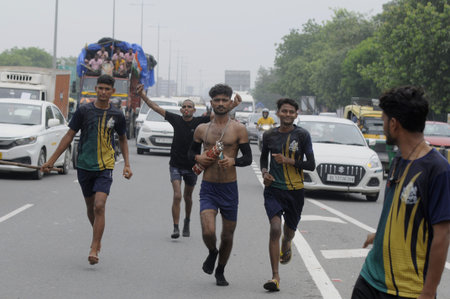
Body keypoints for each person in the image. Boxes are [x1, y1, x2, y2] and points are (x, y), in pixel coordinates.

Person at [351, 86, 450, 299]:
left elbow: (442, 235)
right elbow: (400, 211)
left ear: (394, 124)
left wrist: (429, 292)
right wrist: (381, 235)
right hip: (369, 278)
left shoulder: (438, 169)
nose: (383, 126)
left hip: (406, 289)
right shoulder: (398, 160)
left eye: (384, 120)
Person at [41, 74, 133, 265]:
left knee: (100, 205)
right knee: (91, 207)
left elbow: (123, 139)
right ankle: (97, 237)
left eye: (107, 89)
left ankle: (94, 246)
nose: (103, 92)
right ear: (96, 89)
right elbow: (68, 136)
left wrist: (126, 164)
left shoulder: (117, 115)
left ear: (112, 91)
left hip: (105, 165)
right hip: (84, 164)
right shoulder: (83, 111)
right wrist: (51, 161)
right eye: (100, 88)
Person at [136, 84, 242, 239]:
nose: (186, 109)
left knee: (188, 197)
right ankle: (176, 227)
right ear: (181, 110)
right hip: (176, 165)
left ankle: (187, 220)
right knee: (177, 195)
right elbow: (155, 107)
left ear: (194, 110)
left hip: (192, 167)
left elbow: (219, 114)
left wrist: (233, 104)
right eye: (184, 107)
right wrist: (143, 96)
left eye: (189, 107)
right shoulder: (175, 119)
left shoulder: (200, 122)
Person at [188, 84, 252, 286]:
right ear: (211, 102)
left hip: (229, 188)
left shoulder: (238, 129)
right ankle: (212, 251)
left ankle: (221, 270)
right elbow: (190, 154)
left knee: (227, 235)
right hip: (208, 187)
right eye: (217, 100)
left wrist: (234, 161)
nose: (221, 103)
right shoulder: (201, 129)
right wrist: (199, 157)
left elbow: (248, 158)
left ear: (229, 102)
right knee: (208, 232)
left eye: (225, 100)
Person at [259, 98, 316, 292]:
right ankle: (275, 277)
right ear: (278, 113)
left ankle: (287, 240)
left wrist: (288, 161)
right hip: (274, 190)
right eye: (284, 111)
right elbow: (263, 159)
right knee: (275, 228)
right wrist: (265, 172)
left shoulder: (302, 135)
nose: (288, 115)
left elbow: (311, 165)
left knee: (288, 231)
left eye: (291, 112)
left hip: (295, 191)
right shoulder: (269, 136)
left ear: (296, 114)